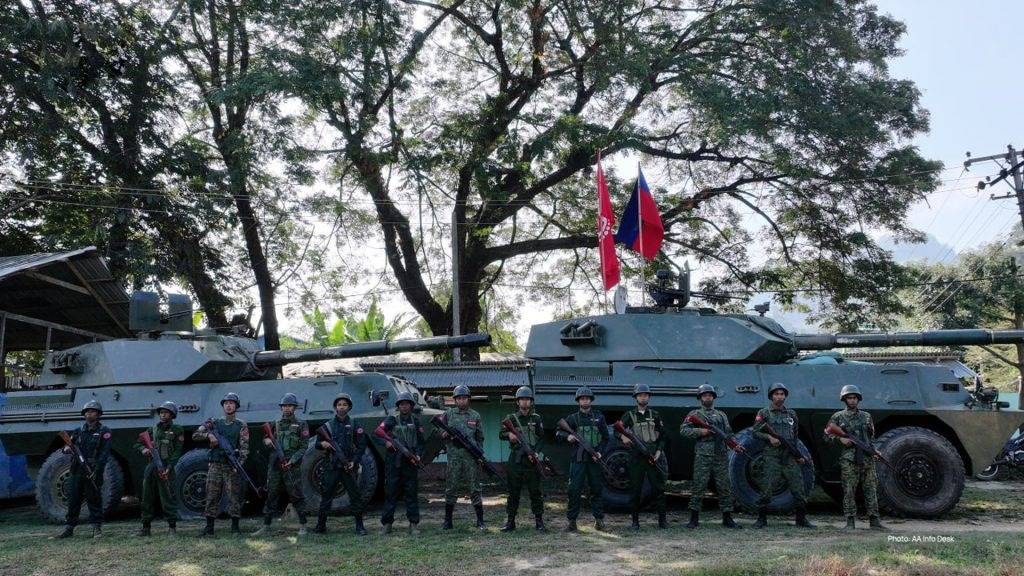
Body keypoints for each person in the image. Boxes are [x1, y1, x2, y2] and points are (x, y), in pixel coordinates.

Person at [679, 384, 744, 529]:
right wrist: (701, 432)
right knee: (699, 486)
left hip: (720, 454)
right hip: (703, 455)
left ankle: (727, 518)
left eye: (709, 395)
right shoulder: (694, 414)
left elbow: (728, 433)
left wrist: (734, 444)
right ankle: (694, 519)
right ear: (700, 398)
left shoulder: (721, 415)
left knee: (724, 486)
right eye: (704, 395)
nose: (707, 397)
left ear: (713, 398)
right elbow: (683, 430)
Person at [750, 382, 813, 529]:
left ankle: (801, 519)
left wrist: (797, 454)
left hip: (789, 456)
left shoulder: (791, 414)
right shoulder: (764, 413)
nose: (780, 397)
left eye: (782, 394)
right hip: (772, 456)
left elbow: (795, 436)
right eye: (777, 394)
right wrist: (770, 438)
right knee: (767, 488)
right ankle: (761, 519)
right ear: (771, 396)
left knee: (798, 488)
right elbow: (755, 432)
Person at [826, 384, 885, 530]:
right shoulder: (838, 417)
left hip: (867, 458)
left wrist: (874, 451)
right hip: (849, 460)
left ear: (858, 399)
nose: (852, 401)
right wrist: (840, 439)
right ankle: (850, 521)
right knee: (849, 490)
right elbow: (827, 435)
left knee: (871, 488)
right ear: (844, 400)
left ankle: (874, 521)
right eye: (849, 398)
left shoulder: (866, 416)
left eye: (854, 398)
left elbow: (870, 437)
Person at [192, 392, 249, 536]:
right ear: (223, 406)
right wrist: (209, 435)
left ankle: (235, 527)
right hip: (215, 464)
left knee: (234, 497)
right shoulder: (214, 422)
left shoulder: (241, 425)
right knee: (211, 495)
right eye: (226, 403)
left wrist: (239, 465)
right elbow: (195, 435)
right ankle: (209, 528)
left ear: (236, 406)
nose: (229, 405)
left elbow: (244, 448)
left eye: (232, 403)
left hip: (231, 466)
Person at [253, 393, 310, 537]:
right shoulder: (275, 423)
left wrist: (293, 460)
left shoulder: (301, 424)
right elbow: (265, 440)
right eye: (284, 406)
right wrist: (266, 441)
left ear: (294, 408)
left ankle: (303, 525)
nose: (287, 408)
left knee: (296, 494)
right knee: (271, 494)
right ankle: (266, 525)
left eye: (289, 406)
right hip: (275, 465)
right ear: (281, 408)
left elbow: (304, 447)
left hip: (292, 466)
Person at [556, 386, 609, 532]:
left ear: (591, 400)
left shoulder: (599, 417)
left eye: (587, 398)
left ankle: (599, 521)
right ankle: (572, 522)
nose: (585, 401)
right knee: (574, 490)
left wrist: (599, 452)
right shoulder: (572, 418)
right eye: (582, 398)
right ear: (578, 401)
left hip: (594, 460)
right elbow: (558, 432)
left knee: (596, 490)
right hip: (578, 460)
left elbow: (606, 438)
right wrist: (568, 436)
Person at [55, 400, 111, 539]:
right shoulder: (78, 431)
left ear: (98, 415)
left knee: (94, 498)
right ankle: (69, 527)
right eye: (87, 411)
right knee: (73, 499)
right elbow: (68, 446)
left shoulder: (104, 431)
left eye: (92, 411)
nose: (89, 414)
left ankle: (96, 528)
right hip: (76, 469)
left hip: (92, 469)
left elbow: (104, 453)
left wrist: (97, 470)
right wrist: (67, 448)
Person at [314, 392, 368, 535]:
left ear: (349, 407)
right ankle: (320, 526)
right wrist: (323, 443)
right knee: (326, 496)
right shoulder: (327, 426)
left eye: (344, 405)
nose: (342, 407)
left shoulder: (355, 424)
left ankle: (360, 526)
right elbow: (316, 444)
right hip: (331, 466)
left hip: (348, 467)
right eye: (339, 405)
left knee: (355, 496)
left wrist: (354, 461)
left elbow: (362, 446)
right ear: (335, 407)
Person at [617, 383, 667, 530]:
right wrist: (622, 437)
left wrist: (658, 452)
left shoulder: (655, 415)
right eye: (640, 395)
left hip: (653, 457)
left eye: (645, 395)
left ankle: (662, 521)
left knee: (658, 488)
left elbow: (663, 436)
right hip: (636, 457)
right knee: (635, 490)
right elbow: (616, 430)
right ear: (636, 398)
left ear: (649, 397)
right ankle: (635, 522)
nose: (643, 397)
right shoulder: (629, 415)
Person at [376, 392, 426, 535]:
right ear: (398, 406)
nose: (404, 406)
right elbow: (377, 433)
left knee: (411, 493)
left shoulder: (416, 421)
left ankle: (413, 524)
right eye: (402, 404)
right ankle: (387, 524)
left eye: (407, 404)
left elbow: (421, 442)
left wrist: (418, 455)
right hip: (393, 462)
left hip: (410, 462)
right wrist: (385, 442)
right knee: (391, 492)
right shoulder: (391, 419)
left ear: (411, 406)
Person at [498, 386, 547, 532]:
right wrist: (509, 436)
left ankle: (539, 522)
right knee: (513, 492)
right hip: (516, 460)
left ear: (531, 402)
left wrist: (537, 452)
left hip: (531, 461)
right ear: (518, 402)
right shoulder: (511, 418)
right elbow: (501, 434)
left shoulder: (536, 418)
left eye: (527, 399)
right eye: (522, 399)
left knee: (535, 492)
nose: (525, 402)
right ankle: (510, 522)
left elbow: (542, 439)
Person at [135, 401, 184, 536]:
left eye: (166, 413)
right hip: (152, 466)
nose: (163, 415)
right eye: (161, 413)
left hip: (167, 465)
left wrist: (169, 467)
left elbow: (177, 451)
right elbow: (138, 443)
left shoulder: (178, 430)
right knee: (147, 496)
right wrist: (144, 449)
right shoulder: (153, 429)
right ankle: (146, 527)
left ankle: (172, 527)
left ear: (172, 415)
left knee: (167, 496)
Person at [441, 385, 486, 530]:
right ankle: (448, 521)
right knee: (451, 488)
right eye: (459, 398)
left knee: (474, 489)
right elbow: (438, 430)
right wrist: (444, 434)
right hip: (454, 458)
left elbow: (480, 438)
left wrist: (479, 454)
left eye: (464, 398)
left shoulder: (475, 416)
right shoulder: (448, 414)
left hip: (470, 459)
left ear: (468, 399)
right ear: (455, 400)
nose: (462, 401)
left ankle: (480, 521)